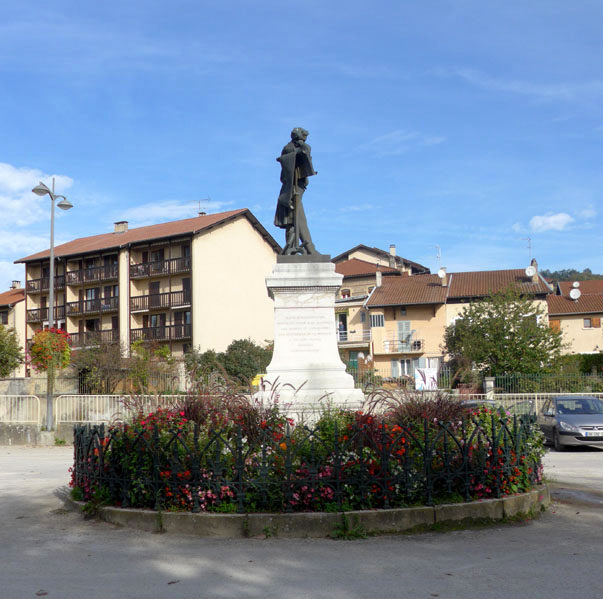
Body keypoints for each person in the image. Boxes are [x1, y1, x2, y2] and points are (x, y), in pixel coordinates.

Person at [274, 127, 318, 255]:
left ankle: (292, 247)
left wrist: (302, 148)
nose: (304, 141)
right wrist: (298, 152)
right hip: (291, 187)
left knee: (292, 217)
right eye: (302, 138)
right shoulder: (289, 148)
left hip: (298, 185)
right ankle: (309, 247)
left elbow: (307, 151)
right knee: (296, 215)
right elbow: (286, 160)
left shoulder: (302, 146)